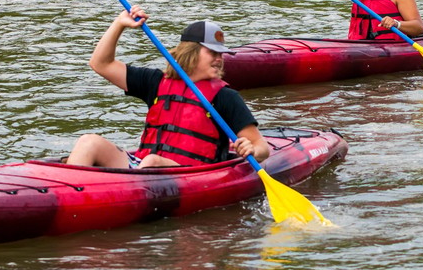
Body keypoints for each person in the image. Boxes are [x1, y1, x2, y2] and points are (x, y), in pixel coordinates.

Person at [66, 9, 270, 168]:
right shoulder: (155, 82)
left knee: (153, 162)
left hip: (191, 172)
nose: (219, 59)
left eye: (221, 54)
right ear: (191, 52)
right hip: (143, 164)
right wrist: (119, 24)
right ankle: (69, 192)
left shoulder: (225, 97)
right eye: (213, 53)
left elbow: (262, 148)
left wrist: (251, 149)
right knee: (88, 141)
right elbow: (100, 64)